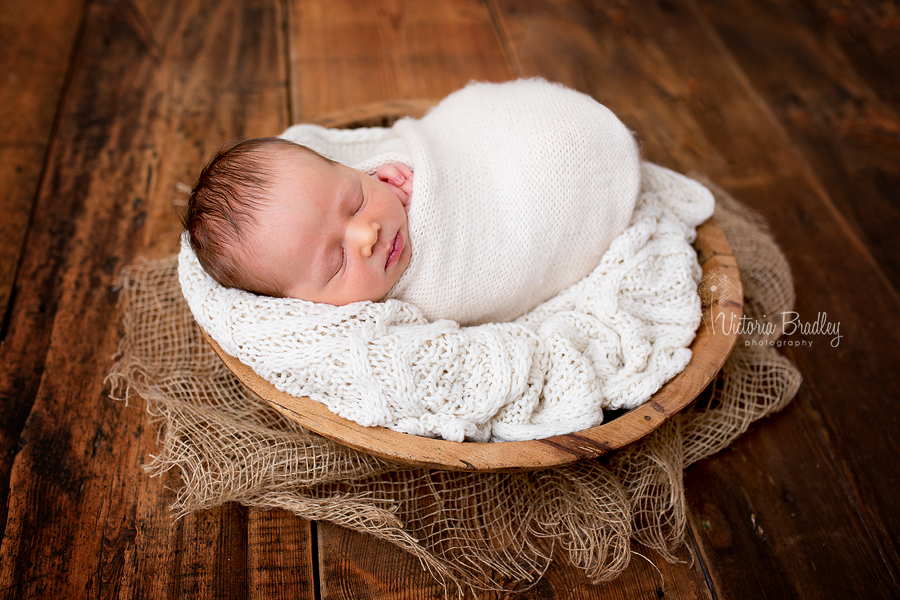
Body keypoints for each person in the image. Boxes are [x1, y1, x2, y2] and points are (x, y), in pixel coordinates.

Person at [184, 78, 641, 325]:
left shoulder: (388, 177)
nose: (368, 235)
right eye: (337, 262)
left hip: (513, 142)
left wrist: (398, 168)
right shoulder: (377, 324)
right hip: (542, 216)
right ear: (302, 305)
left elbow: (419, 146)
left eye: (356, 200)